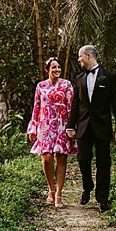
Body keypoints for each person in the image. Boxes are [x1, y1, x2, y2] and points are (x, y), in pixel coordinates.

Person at [66, 45, 116, 212]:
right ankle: (87, 187)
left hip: (102, 126)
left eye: (80, 57)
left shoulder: (109, 77)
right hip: (83, 126)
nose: (79, 60)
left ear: (89, 56)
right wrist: (70, 125)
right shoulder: (79, 79)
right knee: (83, 159)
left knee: (103, 162)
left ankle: (102, 198)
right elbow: (75, 105)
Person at [27, 57, 77, 208]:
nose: (57, 70)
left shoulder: (66, 85)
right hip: (45, 125)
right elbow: (36, 107)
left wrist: (72, 126)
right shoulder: (41, 86)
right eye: (54, 67)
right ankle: (51, 189)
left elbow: (71, 106)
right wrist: (33, 127)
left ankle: (59, 194)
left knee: (61, 158)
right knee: (47, 158)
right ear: (47, 70)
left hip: (62, 124)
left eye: (58, 67)